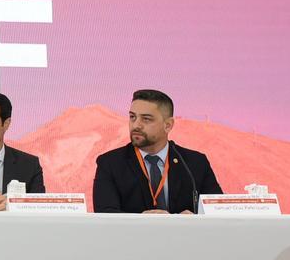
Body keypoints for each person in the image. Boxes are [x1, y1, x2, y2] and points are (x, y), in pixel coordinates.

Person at [92, 89, 222, 214]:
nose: (136, 125)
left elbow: (218, 212)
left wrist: (192, 220)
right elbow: (105, 214)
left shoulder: (195, 163)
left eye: (146, 119)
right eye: (132, 117)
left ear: (168, 125)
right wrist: (143, 221)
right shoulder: (110, 163)